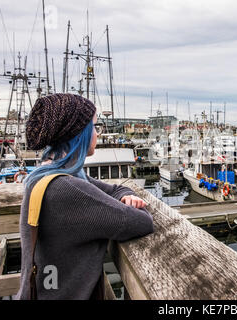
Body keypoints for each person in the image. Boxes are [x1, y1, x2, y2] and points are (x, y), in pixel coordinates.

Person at [16, 93, 154, 300]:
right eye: (94, 127)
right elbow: (140, 222)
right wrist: (130, 201)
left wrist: (126, 195)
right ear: (78, 132)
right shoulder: (67, 189)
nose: (97, 134)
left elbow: (114, 190)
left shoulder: (47, 177)